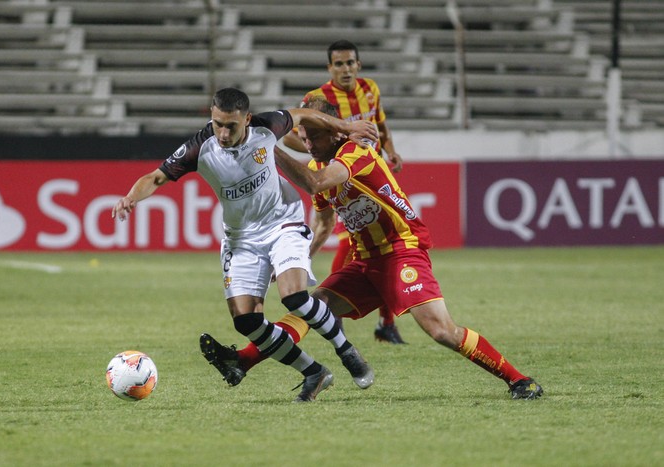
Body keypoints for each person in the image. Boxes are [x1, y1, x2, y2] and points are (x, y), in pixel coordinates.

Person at [206, 98, 544, 400]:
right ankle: (242, 361)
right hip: (364, 263)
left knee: (441, 330)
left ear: (334, 133)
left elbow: (316, 184)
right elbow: (322, 225)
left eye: (313, 137)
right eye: (304, 138)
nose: (308, 145)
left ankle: (519, 380)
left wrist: (265, 149)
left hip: (401, 252)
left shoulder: (356, 152)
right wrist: (291, 262)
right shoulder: (317, 165)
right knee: (310, 307)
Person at [112, 87, 377, 402]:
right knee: (247, 321)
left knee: (294, 297)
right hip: (241, 237)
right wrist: (131, 197)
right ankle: (313, 371)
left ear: (247, 119)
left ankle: (347, 352)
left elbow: (303, 113)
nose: (223, 133)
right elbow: (155, 177)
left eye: (231, 126)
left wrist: (347, 128)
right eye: (217, 124)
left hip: (283, 222)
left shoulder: (267, 126)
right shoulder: (201, 147)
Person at [282, 39, 406, 344]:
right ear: (329, 68)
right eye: (339, 64)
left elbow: (381, 126)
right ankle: (344, 313)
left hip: (373, 176)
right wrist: (318, 153)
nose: (345, 69)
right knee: (355, 243)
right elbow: (291, 137)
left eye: (350, 62)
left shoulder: (370, 89)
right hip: (340, 175)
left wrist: (390, 150)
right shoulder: (316, 98)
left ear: (358, 65)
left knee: (386, 243)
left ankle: (381, 322)